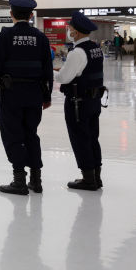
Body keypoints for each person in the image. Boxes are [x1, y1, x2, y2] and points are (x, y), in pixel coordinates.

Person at [0, 0, 53, 195]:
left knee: (13, 134)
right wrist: (47, 96)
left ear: (11, 14)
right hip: (34, 95)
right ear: (31, 16)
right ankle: (36, 180)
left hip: (11, 95)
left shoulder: (4, 36)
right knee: (31, 133)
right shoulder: (41, 38)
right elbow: (47, 69)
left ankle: (19, 181)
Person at [54, 11, 106, 191]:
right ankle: (96, 176)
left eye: (70, 28)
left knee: (80, 138)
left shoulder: (77, 52)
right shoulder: (95, 48)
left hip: (78, 102)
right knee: (92, 137)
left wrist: (50, 73)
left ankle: (88, 179)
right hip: (94, 100)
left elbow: (64, 78)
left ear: (76, 32)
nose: (69, 31)